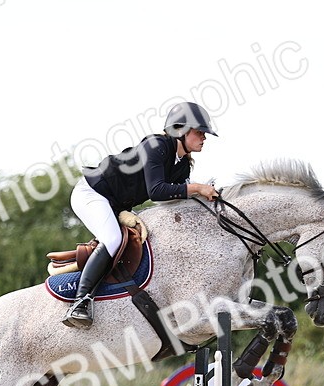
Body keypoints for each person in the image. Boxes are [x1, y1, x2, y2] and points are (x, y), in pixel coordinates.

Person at [62, 101, 221, 328]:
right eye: (199, 132)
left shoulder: (182, 166)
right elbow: (156, 192)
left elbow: (176, 199)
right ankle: (80, 302)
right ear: (180, 130)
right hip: (92, 193)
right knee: (113, 239)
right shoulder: (156, 146)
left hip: (115, 205)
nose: (204, 137)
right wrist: (197, 188)